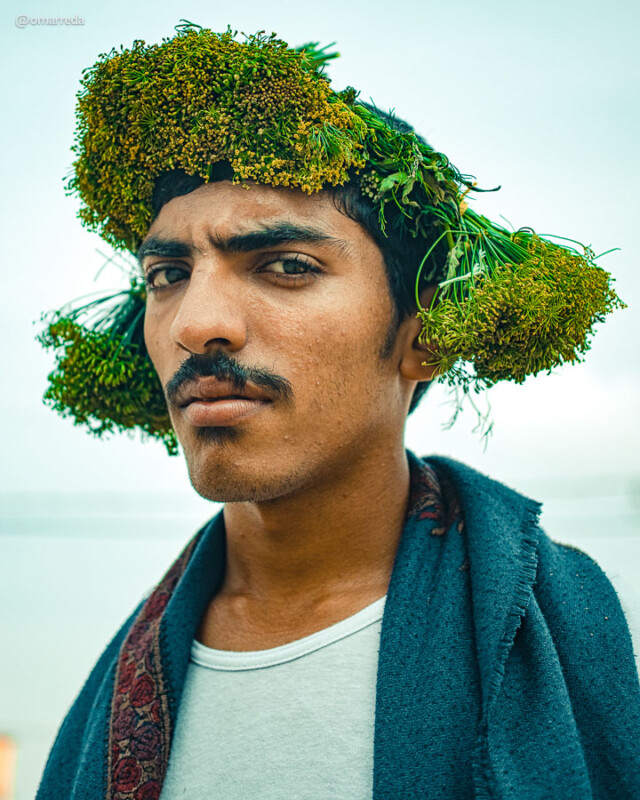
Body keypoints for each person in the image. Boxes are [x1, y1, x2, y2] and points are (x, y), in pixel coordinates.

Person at [36, 23, 640, 800]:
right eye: (167, 273)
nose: (194, 322)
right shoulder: (119, 686)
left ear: (423, 337)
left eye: (286, 265)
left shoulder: (591, 634)